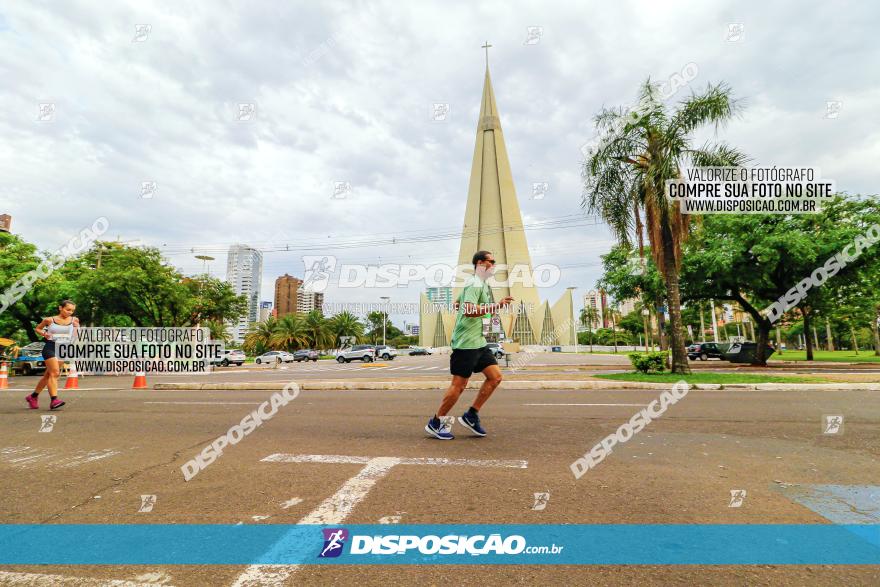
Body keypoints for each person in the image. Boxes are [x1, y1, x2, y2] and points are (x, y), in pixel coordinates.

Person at [425, 251, 513, 439]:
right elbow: (470, 310)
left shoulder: (478, 284)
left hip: (479, 342)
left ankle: (471, 415)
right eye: (492, 261)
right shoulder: (474, 283)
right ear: (481, 263)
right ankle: (436, 422)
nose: (494, 264)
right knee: (459, 385)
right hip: (465, 344)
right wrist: (495, 307)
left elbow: (458, 305)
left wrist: (478, 315)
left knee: (495, 377)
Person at [26, 300, 78, 410]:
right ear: (60, 308)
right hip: (50, 347)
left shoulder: (74, 320)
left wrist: (77, 327)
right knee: (55, 373)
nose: (70, 312)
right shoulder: (49, 320)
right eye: (68, 309)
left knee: (48, 376)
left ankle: (33, 397)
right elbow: (37, 329)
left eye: (72, 310)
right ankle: (54, 400)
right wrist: (45, 334)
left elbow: (75, 336)